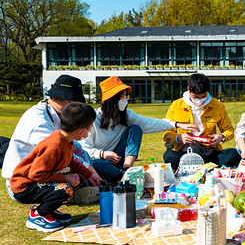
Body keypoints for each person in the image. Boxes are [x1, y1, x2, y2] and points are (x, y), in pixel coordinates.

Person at [79, 76, 198, 183]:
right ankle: (123, 176)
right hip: (101, 160)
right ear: (110, 99)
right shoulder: (93, 119)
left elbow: (150, 123)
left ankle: (127, 170)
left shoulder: (126, 115)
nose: (124, 100)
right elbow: (83, 149)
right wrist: (102, 154)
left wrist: (176, 124)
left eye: (125, 96)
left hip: (120, 158)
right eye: (121, 97)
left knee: (135, 129)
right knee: (100, 165)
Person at [2, 75, 100, 204]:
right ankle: (66, 196)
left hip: (44, 171)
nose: (75, 108)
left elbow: (71, 149)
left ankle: (78, 188)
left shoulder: (57, 114)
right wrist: (88, 170)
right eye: (73, 103)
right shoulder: (38, 121)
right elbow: (57, 153)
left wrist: (87, 171)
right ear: (56, 98)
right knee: (68, 185)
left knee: (83, 155)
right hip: (25, 183)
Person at [10, 103, 101, 232]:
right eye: (90, 127)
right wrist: (65, 178)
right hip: (24, 186)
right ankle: (38, 214)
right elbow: (35, 174)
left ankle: (50, 211)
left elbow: (71, 162)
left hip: (37, 181)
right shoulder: (54, 145)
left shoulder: (67, 141)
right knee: (65, 189)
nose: (91, 130)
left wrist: (89, 175)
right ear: (82, 131)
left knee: (77, 179)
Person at [163, 73, 241, 171]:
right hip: (184, 153)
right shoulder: (176, 105)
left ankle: (196, 168)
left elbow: (229, 129)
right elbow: (166, 133)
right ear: (188, 89)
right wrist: (179, 137)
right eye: (196, 97)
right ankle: (206, 167)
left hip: (209, 152)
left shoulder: (217, 105)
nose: (200, 100)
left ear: (207, 91)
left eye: (203, 96)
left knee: (233, 154)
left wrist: (221, 137)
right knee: (169, 156)